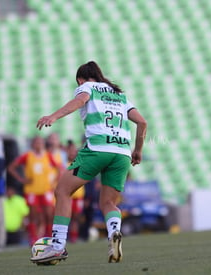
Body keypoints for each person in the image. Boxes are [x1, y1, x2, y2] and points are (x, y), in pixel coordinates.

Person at [31, 61, 147, 264]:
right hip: (121, 153)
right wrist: (137, 150)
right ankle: (114, 235)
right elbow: (142, 122)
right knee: (108, 202)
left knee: (62, 192)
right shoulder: (119, 94)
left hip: (97, 149)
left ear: (80, 79)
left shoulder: (87, 87)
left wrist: (54, 116)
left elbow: (81, 100)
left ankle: (57, 247)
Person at [7, 136, 59, 245]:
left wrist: (54, 182)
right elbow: (11, 168)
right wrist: (21, 179)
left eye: (40, 142)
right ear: (32, 144)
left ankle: (48, 237)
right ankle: (33, 238)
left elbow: (59, 168)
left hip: (45, 190)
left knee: (48, 214)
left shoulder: (47, 155)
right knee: (33, 215)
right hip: (32, 190)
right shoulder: (27, 156)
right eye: (36, 142)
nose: (38, 144)